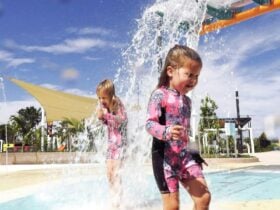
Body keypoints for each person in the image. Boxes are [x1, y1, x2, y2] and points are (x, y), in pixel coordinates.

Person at [146, 45, 211, 210]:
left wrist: (195, 154)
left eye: (196, 76)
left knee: (203, 198)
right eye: (189, 75)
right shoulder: (160, 95)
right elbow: (149, 124)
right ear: (170, 71)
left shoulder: (187, 102)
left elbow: (186, 133)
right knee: (172, 206)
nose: (193, 80)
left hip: (185, 158)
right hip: (164, 159)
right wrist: (166, 131)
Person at [96, 79, 127, 208]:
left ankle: (118, 203)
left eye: (104, 97)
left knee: (116, 173)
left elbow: (122, 120)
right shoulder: (104, 107)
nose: (101, 100)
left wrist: (106, 116)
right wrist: (102, 118)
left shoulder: (117, 104)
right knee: (109, 173)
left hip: (121, 144)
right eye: (99, 97)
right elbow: (108, 124)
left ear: (111, 95)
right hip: (111, 144)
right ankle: (113, 198)